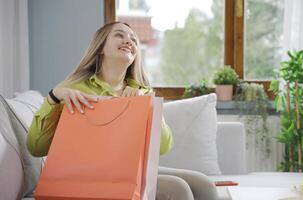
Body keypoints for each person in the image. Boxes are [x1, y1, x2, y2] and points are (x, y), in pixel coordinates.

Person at [27, 21, 218, 200]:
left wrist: (147, 105)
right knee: (178, 188)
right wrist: (53, 97)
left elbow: (163, 147)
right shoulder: (74, 89)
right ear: (101, 47)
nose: (128, 40)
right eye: (119, 35)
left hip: (132, 168)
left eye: (133, 39)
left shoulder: (142, 91)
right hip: (91, 174)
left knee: (204, 185)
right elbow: (36, 148)